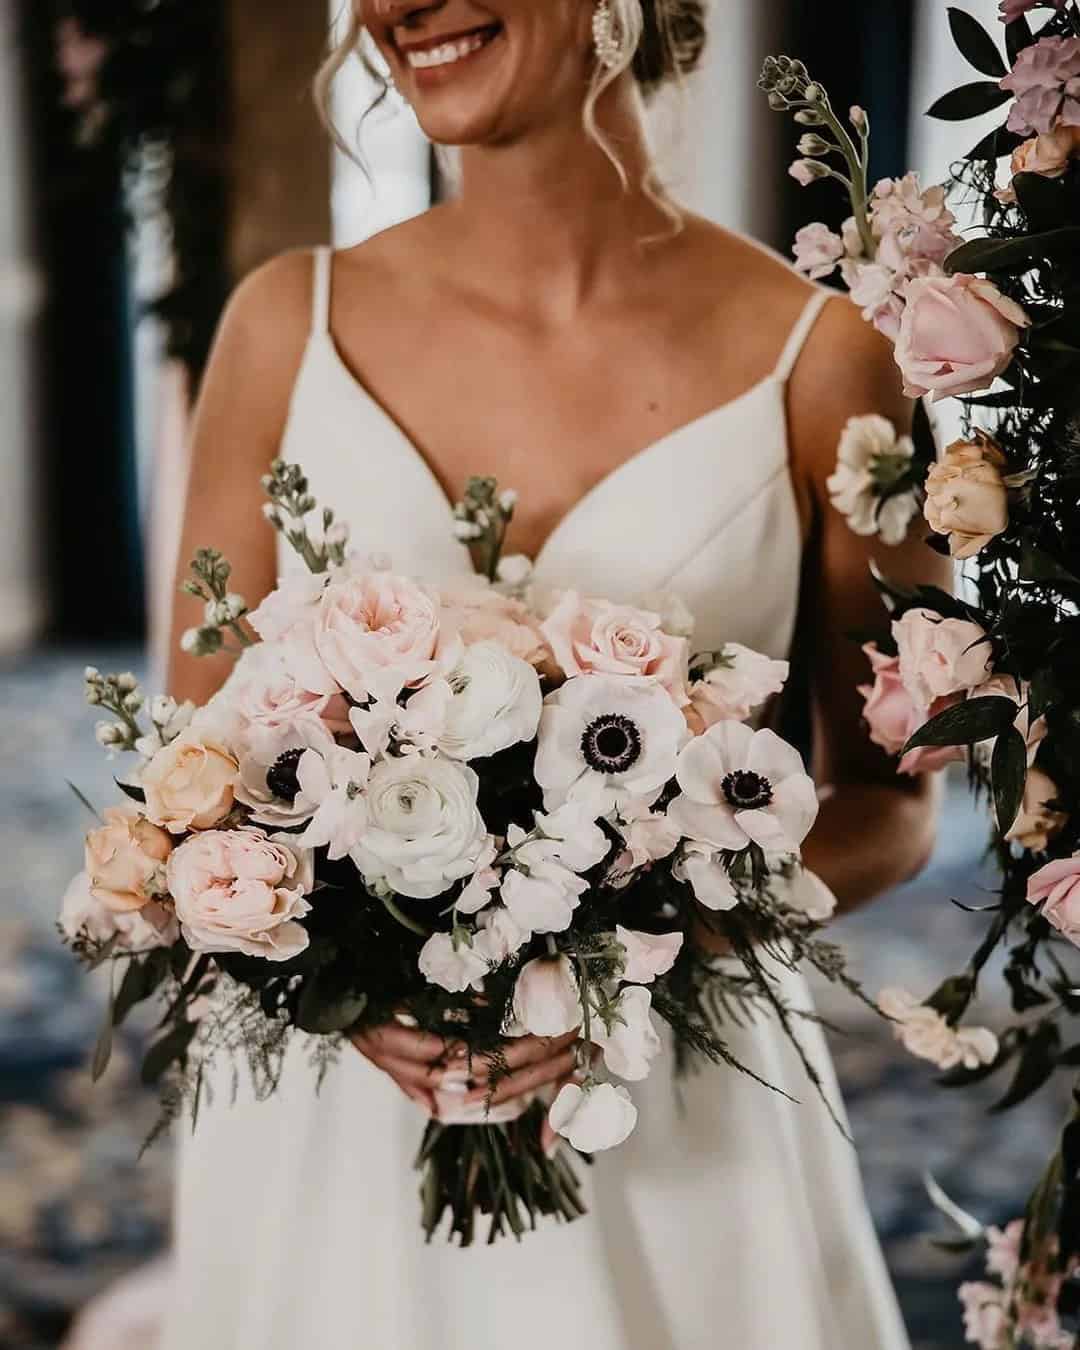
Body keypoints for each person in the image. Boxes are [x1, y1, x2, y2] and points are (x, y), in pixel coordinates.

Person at [154, 2, 948, 1345]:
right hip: (342, 1115)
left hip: (676, 1119)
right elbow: (192, 771)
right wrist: (324, 969)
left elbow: (894, 801)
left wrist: (653, 945)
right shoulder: (283, 324)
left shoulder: (823, 361)